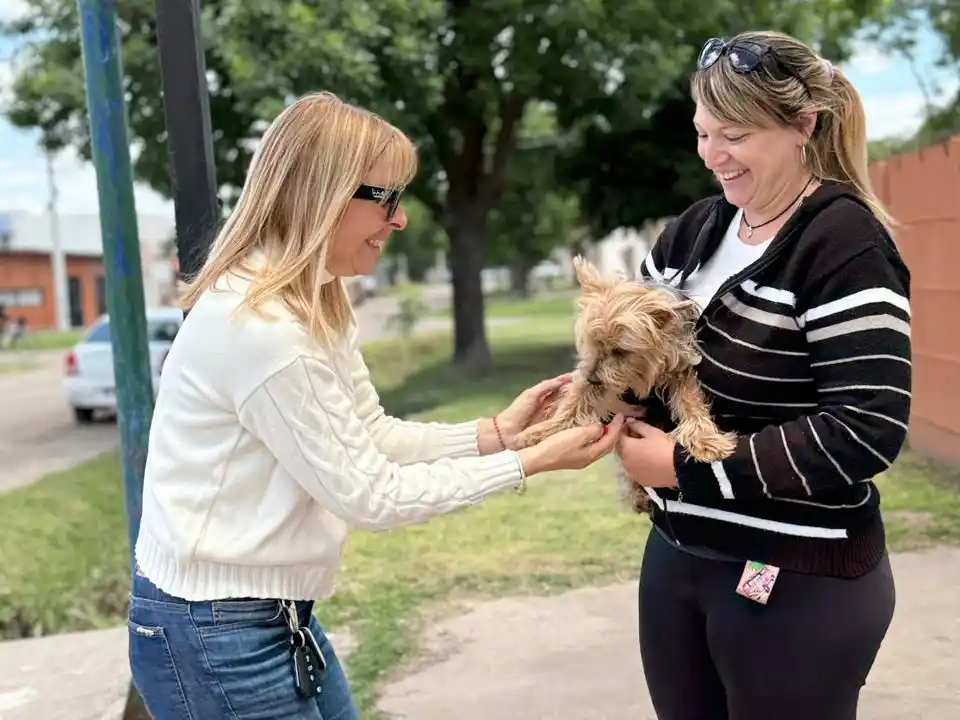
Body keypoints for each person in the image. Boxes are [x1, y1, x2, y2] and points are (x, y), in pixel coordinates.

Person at [128, 91, 624, 720]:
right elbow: (371, 495)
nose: (400, 220)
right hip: (216, 633)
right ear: (321, 195)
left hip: (264, 618)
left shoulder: (314, 303)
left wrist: (497, 433)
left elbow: (368, 435)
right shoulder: (264, 332)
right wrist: (528, 464)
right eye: (386, 198)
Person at [616, 31, 910, 720]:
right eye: (702, 132)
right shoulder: (693, 233)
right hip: (678, 554)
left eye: (736, 136)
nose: (712, 156)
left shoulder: (843, 243)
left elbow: (864, 430)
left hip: (797, 577)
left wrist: (685, 466)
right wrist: (611, 394)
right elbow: (635, 359)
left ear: (803, 125)